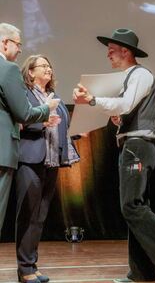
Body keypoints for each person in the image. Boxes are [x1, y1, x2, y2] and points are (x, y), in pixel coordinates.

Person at [72, 28, 155, 283]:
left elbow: (126, 104)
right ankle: (142, 272)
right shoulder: (130, 76)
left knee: (131, 206)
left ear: (126, 51)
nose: (109, 56)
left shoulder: (141, 75)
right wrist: (118, 120)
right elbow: (126, 110)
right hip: (132, 144)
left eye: (112, 51)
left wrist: (93, 100)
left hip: (137, 146)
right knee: (137, 206)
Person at [16, 55, 80, 283]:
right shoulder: (24, 94)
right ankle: (24, 269)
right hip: (31, 159)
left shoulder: (57, 99)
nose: (48, 69)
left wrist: (81, 130)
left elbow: (64, 128)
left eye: (49, 65)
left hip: (51, 161)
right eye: (43, 66)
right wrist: (42, 121)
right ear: (31, 72)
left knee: (40, 216)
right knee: (28, 214)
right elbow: (19, 120)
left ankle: (32, 264)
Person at [0, 23, 59, 239]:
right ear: (5, 43)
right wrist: (47, 109)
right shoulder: (8, 69)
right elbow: (24, 114)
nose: (20, 49)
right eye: (18, 44)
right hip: (6, 151)